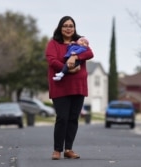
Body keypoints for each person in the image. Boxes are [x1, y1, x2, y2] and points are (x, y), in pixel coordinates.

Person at [45, 16, 94, 160]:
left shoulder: (80, 42)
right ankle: (57, 150)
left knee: (73, 118)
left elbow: (90, 53)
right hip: (60, 86)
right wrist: (67, 68)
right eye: (65, 25)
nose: (68, 28)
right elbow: (51, 60)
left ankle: (68, 149)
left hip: (78, 86)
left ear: (74, 28)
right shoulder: (53, 43)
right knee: (62, 118)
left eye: (71, 26)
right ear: (60, 27)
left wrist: (74, 57)